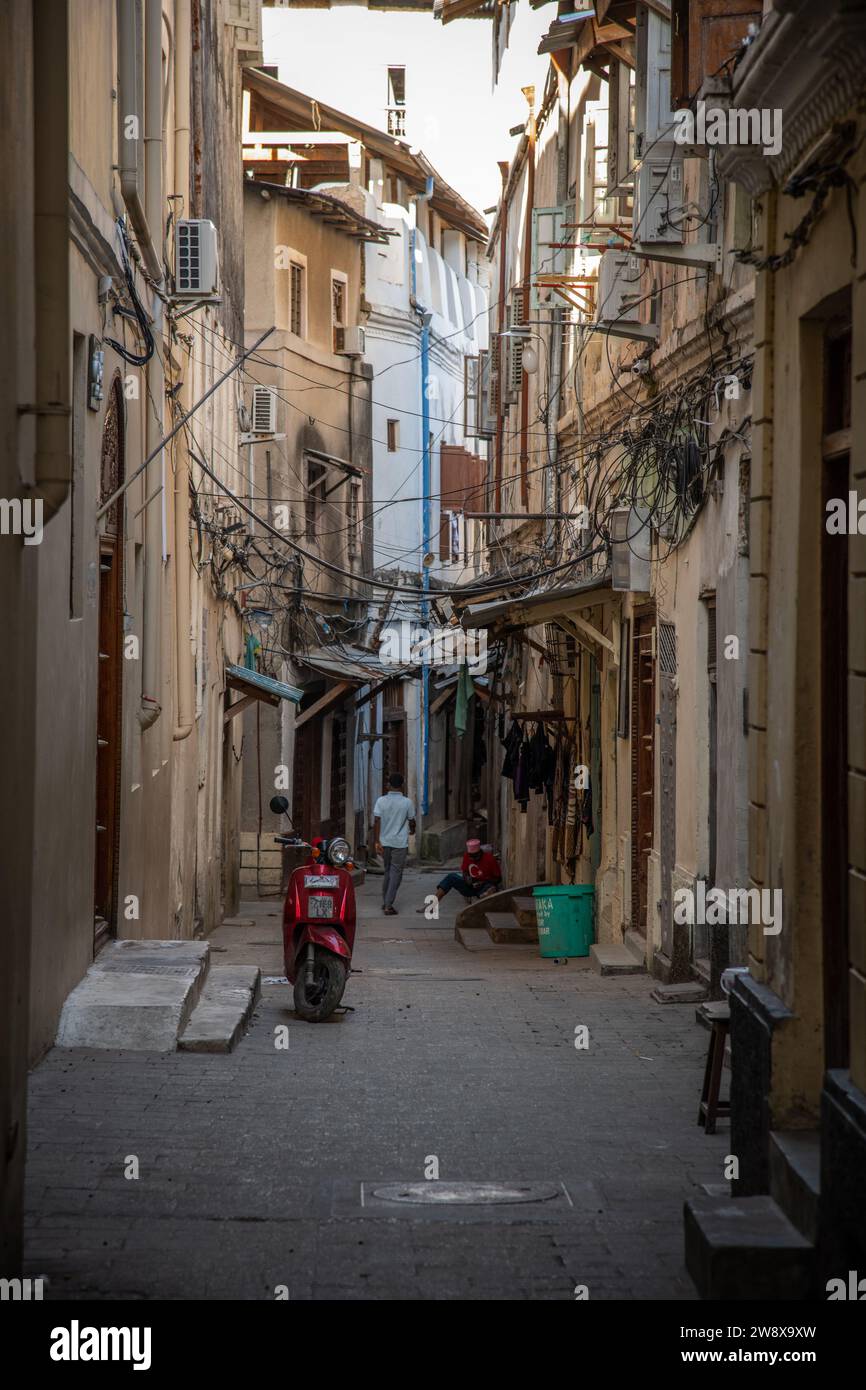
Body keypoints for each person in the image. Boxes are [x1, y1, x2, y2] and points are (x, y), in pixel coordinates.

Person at [372, 773, 416, 915]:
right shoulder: (407, 802)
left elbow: (376, 821)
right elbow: (412, 820)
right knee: (396, 873)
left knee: (387, 872)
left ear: (388, 785)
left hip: (384, 842)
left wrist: (377, 840)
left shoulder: (381, 801)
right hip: (399, 844)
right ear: (402, 785)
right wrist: (412, 830)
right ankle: (388, 905)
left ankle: (385, 901)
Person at [421, 839, 502, 910]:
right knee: (451, 877)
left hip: (484, 886)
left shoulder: (489, 859)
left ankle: (484, 898)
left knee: (491, 888)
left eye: (475, 856)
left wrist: (482, 882)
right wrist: (467, 878)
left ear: (480, 853)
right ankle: (432, 905)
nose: (473, 859)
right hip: (470, 886)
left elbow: (498, 878)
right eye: (471, 857)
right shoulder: (467, 856)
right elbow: (465, 871)